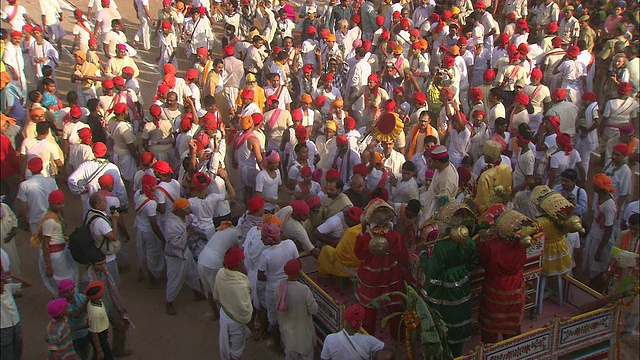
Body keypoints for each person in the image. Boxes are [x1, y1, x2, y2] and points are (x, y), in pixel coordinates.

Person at [420, 202, 478, 356]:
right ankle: (457, 352)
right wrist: (461, 270)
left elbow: (431, 271)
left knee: (442, 318)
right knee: (458, 314)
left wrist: (423, 256)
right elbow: (473, 263)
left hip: (442, 290)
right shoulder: (470, 242)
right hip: (462, 284)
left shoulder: (442, 246)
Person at [478, 204, 531, 343]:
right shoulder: (520, 242)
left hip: (495, 285)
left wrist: (483, 241)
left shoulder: (490, 245)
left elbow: (482, 261)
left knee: (491, 324)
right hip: (516, 285)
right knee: (512, 324)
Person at [31, 190, 79, 297]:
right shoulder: (49, 221)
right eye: (58, 204)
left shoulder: (56, 216)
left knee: (69, 276)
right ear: (51, 204)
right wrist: (48, 266)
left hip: (61, 252)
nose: (62, 206)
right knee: (62, 281)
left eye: (62, 203)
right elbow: (45, 244)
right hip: (55, 257)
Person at [213, 247, 255, 360]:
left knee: (231, 345)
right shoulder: (240, 286)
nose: (244, 261)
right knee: (236, 352)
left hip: (225, 313)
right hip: (235, 322)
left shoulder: (221, 273)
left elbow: (217, 294)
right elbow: (244, 312)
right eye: (242, 260)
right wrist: (254, 330)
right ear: (238, 264)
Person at [275, 259, 318, 360]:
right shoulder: (303, 290)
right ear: (299, 272)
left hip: (287, 333)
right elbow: (314, 310)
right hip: (303, 334)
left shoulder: (279, 288)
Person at [320, 304, 393, 360]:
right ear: (361, 322)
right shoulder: (369, 341)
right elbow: (388, 351)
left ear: (345, 319)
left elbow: (324, 358)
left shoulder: (330, 339)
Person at [583, 174, 617, 279]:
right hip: (594, 236)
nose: (593, 187)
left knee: (597, 270)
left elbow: (608, 229)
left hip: (600, 241)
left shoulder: (609, 206)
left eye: (595, 185)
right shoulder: (599, 198)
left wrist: (599, 249)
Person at [133, 174, 165, 288]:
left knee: (142, 253)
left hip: (140, 228)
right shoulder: (151, 203)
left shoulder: (138, 194)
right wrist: (162, 237)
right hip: (149, 232)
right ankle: (153, 279)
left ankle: (142, 272)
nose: (156, 187)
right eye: (153, 185)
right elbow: (153, 223)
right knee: (153, 255)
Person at [86, 192, 122, 286]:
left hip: (97, 252)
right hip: (107, 258)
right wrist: (114, 220)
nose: (106, 203)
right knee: (113, 284)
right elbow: (113, 237)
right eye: (104, 201)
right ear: (97, 205)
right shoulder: (100, 222)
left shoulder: (90, 214)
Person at [17, 157, 58, 234]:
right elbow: (58, 200)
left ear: (29, 169)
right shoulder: (51, 181)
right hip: (51, 216)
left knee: (39, 242)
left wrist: (24, 220)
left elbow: (23, 206)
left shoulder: (24, 185)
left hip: (35, 218)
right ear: (42, 167)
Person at [57, 279, 91, 359]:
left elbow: (88, 309)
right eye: (66, 291)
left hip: (83, 333)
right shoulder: (62, 305)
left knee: (85, 353)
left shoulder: (80, 297)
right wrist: (86, 302)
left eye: (71, 289)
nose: (70, 293)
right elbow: (76, 314)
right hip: (71, 337)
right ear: (61, 293)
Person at [84, 280, 113, 360]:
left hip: (101, 333)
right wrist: (99, 350)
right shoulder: (95, 313)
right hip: (100, 336)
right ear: (98, 295)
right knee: (106, 355)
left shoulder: (92, 302)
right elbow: (94, 333)